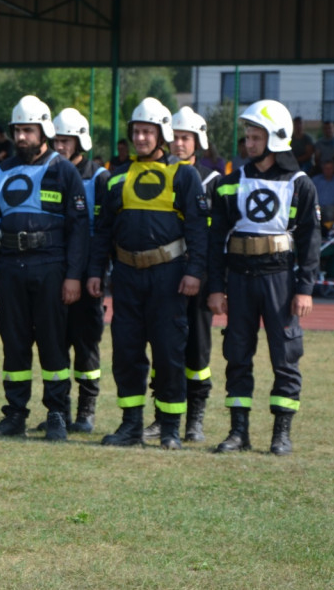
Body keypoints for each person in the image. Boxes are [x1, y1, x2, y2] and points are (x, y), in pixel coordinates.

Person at [87, 97, 208, 450]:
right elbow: (103, 232)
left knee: (169, 352)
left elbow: (198, 231)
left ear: (162, 134)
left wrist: (195, 272)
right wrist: (96, 271)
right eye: (136, 131)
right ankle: (130, 426)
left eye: (147, 132)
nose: (140, 138)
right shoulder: (115, 177)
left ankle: (170, 428)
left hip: (169, 276)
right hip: (125, 276)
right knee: (126, 353)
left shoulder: (184, 175)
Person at [207, 99, 321, 456]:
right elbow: (215, 241)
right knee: (237, 354)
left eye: (257, 137)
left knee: (285, 357)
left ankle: (280, 434)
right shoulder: (229, 183)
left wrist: (304, 289)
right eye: (248, 137)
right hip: (239, 278)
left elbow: (310, 240)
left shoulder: (301, 184)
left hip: (280, 280)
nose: (249, 144)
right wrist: (215, 287)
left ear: (276, 139)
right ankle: (238, 432)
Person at [0, 96, 88, 442]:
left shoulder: (63, 169)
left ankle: (57, 414)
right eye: (18, 130)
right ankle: (14, 415)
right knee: (15, 343)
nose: (22, 137)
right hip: (10, 267)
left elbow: (79, 229)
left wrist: (73, 276)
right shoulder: (0, 171)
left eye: (29, 130)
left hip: (51, 266)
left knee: (54, 344)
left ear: (44, 131)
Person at [141, 106, 220, 443]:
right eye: (176, 137)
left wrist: (209, 278)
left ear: (198, 141)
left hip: (198, 277)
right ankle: (162, 415)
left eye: (186, 138)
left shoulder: (214, 182)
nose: (178, 144)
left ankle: (195, 419)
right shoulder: (159, 175)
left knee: (197, 351)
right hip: (166, 275)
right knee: (163, 346)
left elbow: (215, 237)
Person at [45, 107, 109, 434]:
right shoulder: (47, 173)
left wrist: (95, 272)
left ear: (80, 140)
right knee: (54, 343)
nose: (59, 146)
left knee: (86, 345)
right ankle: (58, 410)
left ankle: (87, 408)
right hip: (53, 274)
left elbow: (102, 233)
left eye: (65, 140)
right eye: (55, 139)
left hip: (86, 277)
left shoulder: (98, 178)